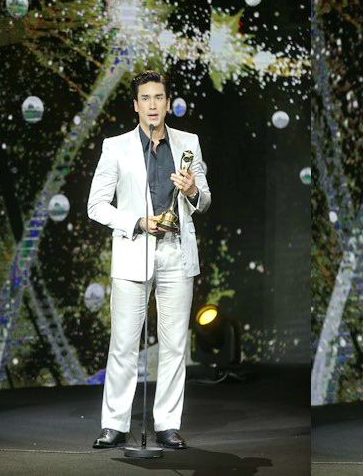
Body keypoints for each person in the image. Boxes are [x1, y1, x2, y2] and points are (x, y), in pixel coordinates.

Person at [87, 70, 211, 449]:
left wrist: (193, 190)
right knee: (124, 343)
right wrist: (137, 222)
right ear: (136, 105)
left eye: (159, 97)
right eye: (146, 98)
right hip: (133, 251)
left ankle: (168, 424)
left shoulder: (188, 142)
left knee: (174, 346)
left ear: (168, 103)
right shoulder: (116, 147)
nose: (153, 105)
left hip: (176, 252)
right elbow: (96, 205)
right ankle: (114, 423)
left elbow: (205, 200)